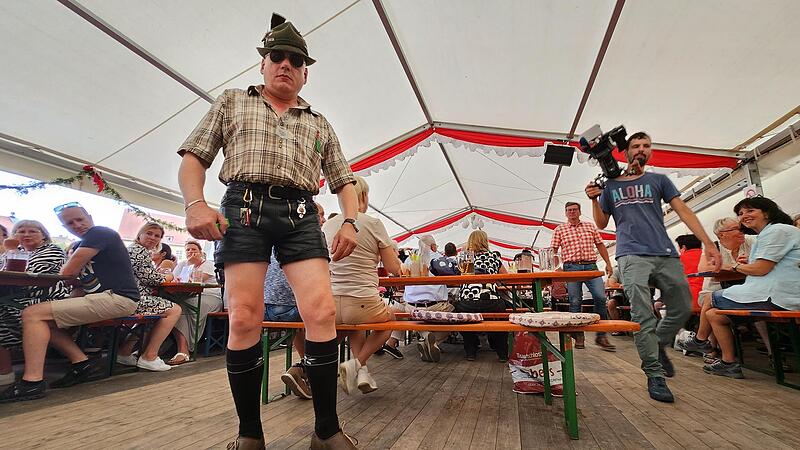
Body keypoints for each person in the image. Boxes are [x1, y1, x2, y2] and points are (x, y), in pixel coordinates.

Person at [176, 14, 358, 449]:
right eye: (277, 56)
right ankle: (249, 435)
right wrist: (195, 203)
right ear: (262, 63)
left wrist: (349, 219)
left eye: (295, 60)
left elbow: (344, 180)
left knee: (321, 313)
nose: (286, 65)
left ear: (304, 71)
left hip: (299, 212)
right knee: (243, 316)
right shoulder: (232, 101)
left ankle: (327, 430)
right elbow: (194, 158)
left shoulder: (318, 121)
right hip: (245, 208)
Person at [585, 131, 721, 403]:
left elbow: (683, 210)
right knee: (642, 313)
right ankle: (654, 374)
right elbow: (601, 224)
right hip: (631, 254)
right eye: (636, 145)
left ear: (650, 152)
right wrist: (592, 198)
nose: (641, 149)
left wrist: (708, 242)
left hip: (664, 252)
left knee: (683, 305)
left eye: (646, 146)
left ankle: (659, 343)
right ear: (625, 152)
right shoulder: (611, 185)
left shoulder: (658, 180)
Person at [0, 203, 144, 402]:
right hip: (104, 298)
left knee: (31, 314)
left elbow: (67, 273)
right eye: (69, 223)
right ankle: (81, 363)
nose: (76, 225)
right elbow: (76, 282)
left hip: (118, 298)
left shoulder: (99, 233)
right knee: (41, 321)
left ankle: (32, 382)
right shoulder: (83, 243)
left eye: (79, 219)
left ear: (90, 217)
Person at [681, 197, 800, 379]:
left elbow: (760, 269)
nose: (743, 217)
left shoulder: (776, 231)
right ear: (721, 235)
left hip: (777, 295)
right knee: (714, 314)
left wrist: (736, 266)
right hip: (766, 291)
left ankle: (699, 340)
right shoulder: (768, 234)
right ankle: (729, 363)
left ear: (767, 212)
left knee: (710, 299)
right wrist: (745, 265)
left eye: (750, 211)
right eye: (740, 213)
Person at [322, 176, 401, 395]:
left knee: (354, 326)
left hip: (332, 305)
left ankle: (363, 373)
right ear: (364, 196)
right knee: (391, 319)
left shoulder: (328, 225)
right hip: (363, 302)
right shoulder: (373, 223)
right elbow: (394, 268)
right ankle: (356, 364)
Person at [265, 202, 326, 400]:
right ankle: (310, 367)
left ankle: (304, 366)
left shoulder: (275, 237)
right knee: (334, 317)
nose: (323, 220)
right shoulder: (311, 237)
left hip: (269, 310)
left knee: (301, 321)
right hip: (292, 308)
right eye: (321, 215)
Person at [0, 221, 71, 386]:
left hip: (45, 296)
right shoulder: (17, 252)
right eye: (20, 231)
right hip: (18, 297)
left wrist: (10, 251)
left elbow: (30, 273)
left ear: (44, 235)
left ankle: (5, 370)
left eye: (32, 231)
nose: (26, 235)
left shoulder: (52, 250)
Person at [678, 217, 754, 363]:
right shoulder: (713, 248)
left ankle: (707, 345)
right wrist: (736, 266)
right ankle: (711, 347)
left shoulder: (750, 241)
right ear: (722, 234)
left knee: (711, 305)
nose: (741, 231)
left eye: (741, 228)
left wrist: (723, 266)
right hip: (724, 290)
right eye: (736, 229)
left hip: (740, 291)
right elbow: (703, 269)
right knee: (712, 302)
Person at [115, 223, 182, 371]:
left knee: (156, 312)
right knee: (175, 310)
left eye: (157, 236)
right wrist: (169, 276)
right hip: (132, 299)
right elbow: (152, 279)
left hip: (126, 296)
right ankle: (149, 356)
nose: (153, 238)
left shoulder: (135, 249)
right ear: (140, 234)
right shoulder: (139, 251)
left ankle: (125, 352)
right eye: (149, 233)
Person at [549, 202, 615, 351]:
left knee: (600, 297)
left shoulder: (590, 226)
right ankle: (579, 336)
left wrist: (608, 263)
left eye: (574, 210)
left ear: (579, 211)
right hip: (571, 267)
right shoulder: (560, 229)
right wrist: (557, 267)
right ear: (565, 213)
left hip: (591, 265)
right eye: (569, 210)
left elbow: (600, 244)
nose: (572, 212)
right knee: (575, 300)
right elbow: (553, 249)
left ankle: (601, 335)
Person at [385, 235, 452, 362]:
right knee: (456, 311)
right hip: (435, 307)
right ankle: (433, 341)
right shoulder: (440, 260)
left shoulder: (409, 260)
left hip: (412, 307)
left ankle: (394, 342)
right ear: (433, 247)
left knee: (404, 310)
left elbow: (400, 279)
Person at [168, 240, 224, 365]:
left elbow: (193, 282)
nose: (191, 252)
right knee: (174, 307)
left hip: (210, 297)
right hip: (187, 297)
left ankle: (183, 350)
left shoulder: (208, 264)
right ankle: (181, 349)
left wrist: (190, 265)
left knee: (181, 307)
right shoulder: (182, 264)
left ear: (200, 252)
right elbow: (173, 280)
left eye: (194, 249)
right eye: (188, 250)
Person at [456, 230, 509, 361]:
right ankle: (502, 352)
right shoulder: (494, 257)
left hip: (467, 302)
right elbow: (506, 279)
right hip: (491, 302)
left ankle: (470, 351)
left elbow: (459, 279)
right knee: (503, 311)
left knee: (460, 312)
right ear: (485, 241)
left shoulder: (465, 257)